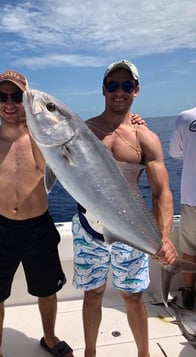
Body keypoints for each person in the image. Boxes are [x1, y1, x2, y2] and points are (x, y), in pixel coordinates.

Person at [71, 60, 177, 357]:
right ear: (103, 89)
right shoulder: (83, 131)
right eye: (113, 85)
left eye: (127, 86)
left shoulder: (146, 138)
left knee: (132, 297)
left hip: (129, 230)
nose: (119, 92)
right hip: (88, 228)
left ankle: (144, 354)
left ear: (136, 90)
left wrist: (165, 238)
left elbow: (161, 192)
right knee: (92, 295)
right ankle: (90, 353)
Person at [0, 70, 74, 357]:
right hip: (0, 229)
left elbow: (77, 142)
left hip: (39, 226)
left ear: (27, 100)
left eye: (16, 96)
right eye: (2, 96)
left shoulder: (45, 139)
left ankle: (49, 337)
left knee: (47, 291)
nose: (9, 103)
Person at [169, 107, 196, 309]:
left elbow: (175, 152)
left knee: (189, 248)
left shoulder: (185, 117)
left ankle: (188, 296)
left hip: (191, 197)